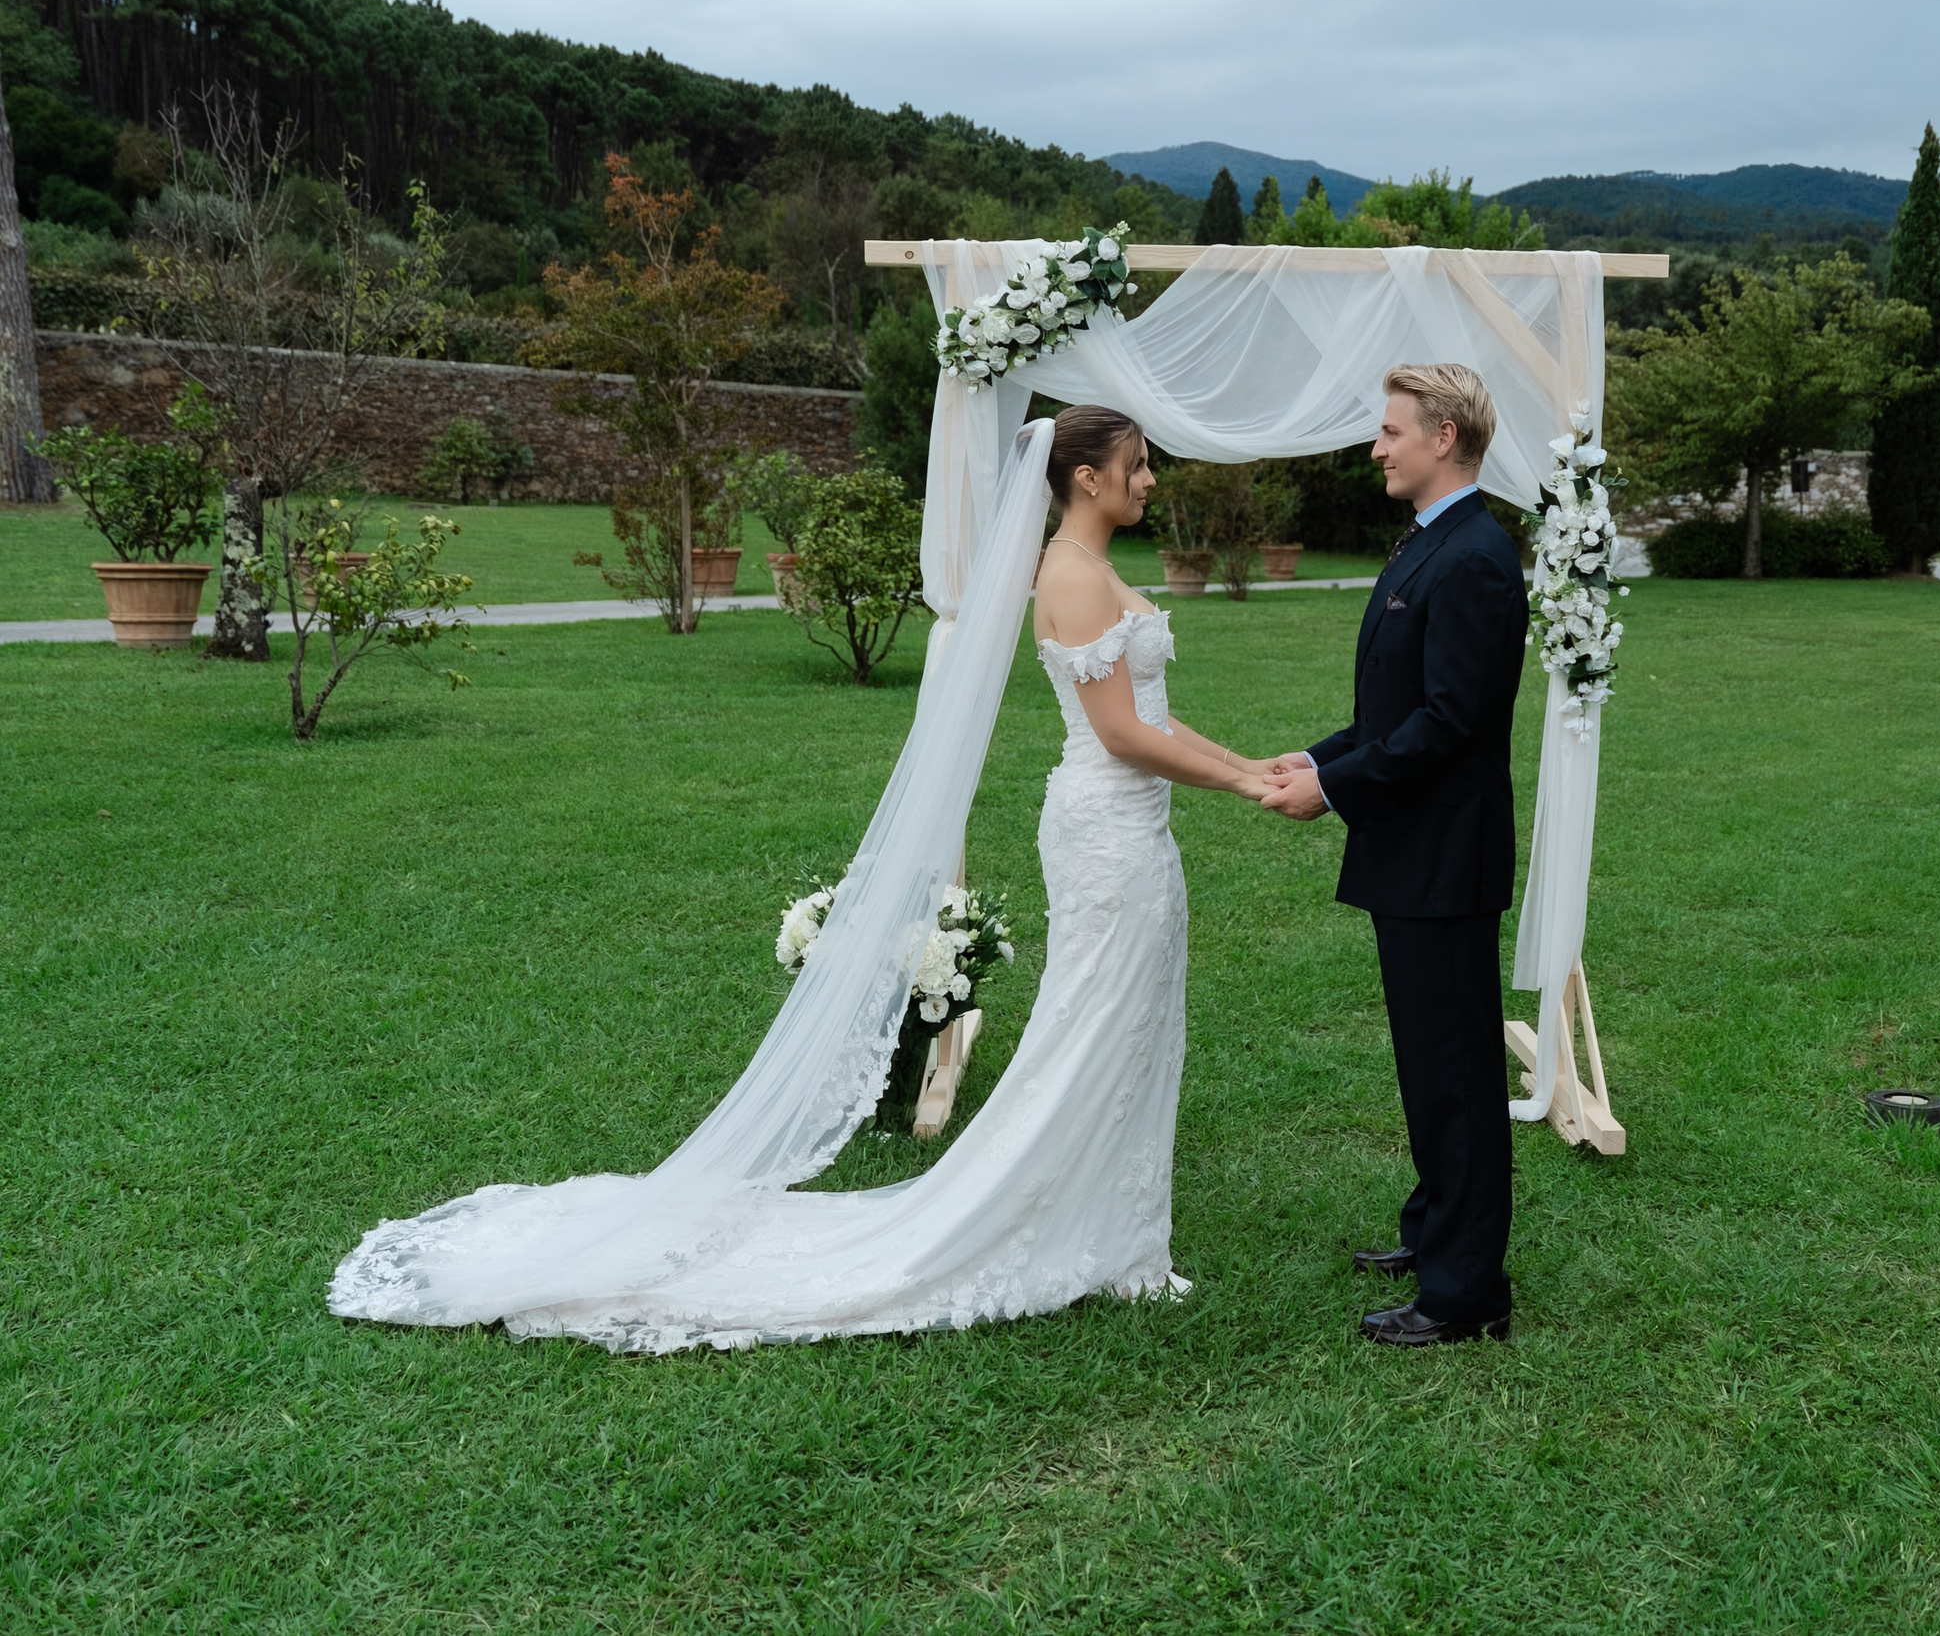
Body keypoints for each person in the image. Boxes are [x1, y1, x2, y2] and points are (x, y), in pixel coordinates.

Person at [330, 406, 1274, 1351]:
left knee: (1130, 1016)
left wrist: (1254, 764)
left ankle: (1116, 1228)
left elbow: (1153, 714)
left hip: (1135, 824)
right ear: (1084, 480)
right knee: (1095, 1019)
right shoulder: (1069, 574)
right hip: (1105, 829)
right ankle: (1083, 1229)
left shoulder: (1102, 569)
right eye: (1136, 465)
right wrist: (1240, 781)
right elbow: (1117, 734)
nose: (1149, 480)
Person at [1260, 364, 1530, 1347]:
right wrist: (1320, 755)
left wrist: (1333, 788)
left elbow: (1452, 722)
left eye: (1388, 431)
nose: (1376, 447)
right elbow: (1398, 706)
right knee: (1428, 1064)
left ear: (1444, 435)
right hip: (1411, 851)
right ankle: (1434, 1231)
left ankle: (1466, 1294)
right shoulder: (1432, 541)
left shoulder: (1474, 557)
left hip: (1443, 859)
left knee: (1456, 1072)